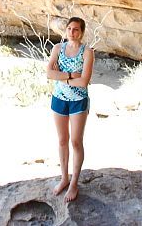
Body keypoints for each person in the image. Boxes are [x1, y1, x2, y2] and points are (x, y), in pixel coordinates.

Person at [46, 17, 94, 203]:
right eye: (69, 29)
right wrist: (70, 75)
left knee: (75, 141)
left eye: (76, 29)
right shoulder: (58, 49)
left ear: (81, 32)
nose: (72, 32)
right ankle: (64, 177)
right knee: (62, 140)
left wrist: (61, 77)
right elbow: (49, 73)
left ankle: (74, 182)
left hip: (78, 101)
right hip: (59, 99)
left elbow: (84, 82)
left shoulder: (87, 52)